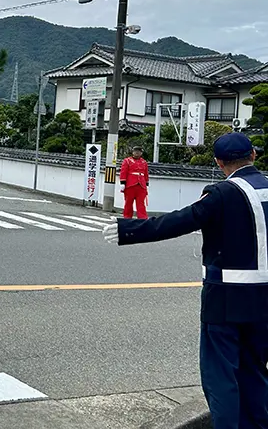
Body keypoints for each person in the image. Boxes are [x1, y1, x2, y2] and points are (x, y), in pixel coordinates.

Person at [102, 132, 268, 429]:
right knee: (255, 371)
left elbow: (180, 220)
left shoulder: (222, 194)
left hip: (226, 297)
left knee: (221, 377)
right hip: (265, 300)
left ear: (219, 162)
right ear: (253, 155)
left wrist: (128, 230)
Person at [120, 145, 149, 219]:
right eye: (135, 151)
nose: (137, 153)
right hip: (130, 184)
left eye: (139, 151)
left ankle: (142, 218)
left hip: (141, 185)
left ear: (141, 153)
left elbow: (146, 174)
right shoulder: (127, 161)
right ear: (132, 152)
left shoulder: (144, 162)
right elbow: (123, 172)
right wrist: (123, 183)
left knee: (141, 204)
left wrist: (146, 184)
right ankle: (127, 217)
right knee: (128, 203)